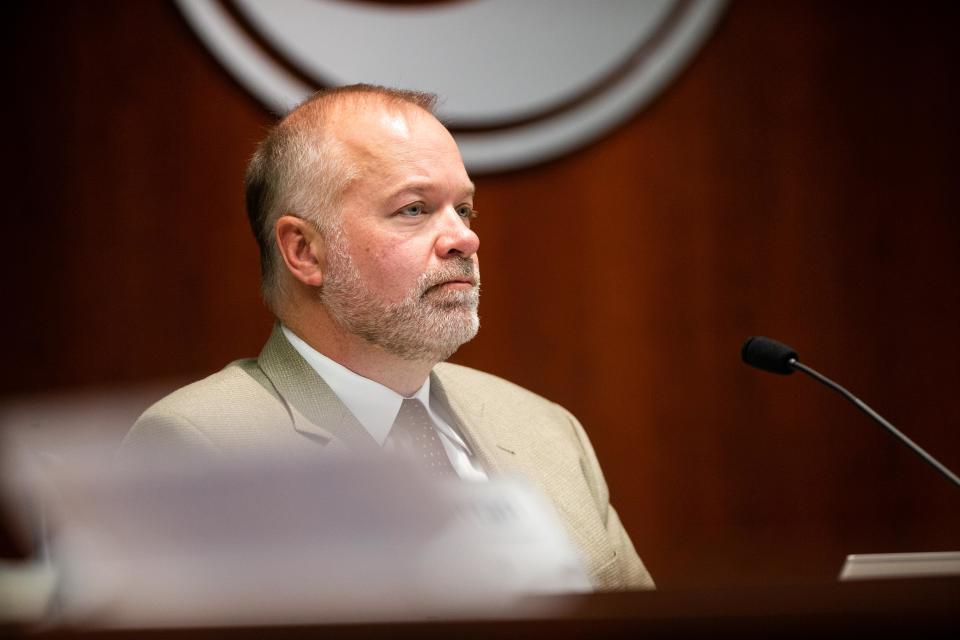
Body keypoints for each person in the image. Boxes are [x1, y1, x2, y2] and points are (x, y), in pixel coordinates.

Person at [122, 84, 653, 590]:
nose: (465, 238)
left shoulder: (545, 427)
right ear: (304, 251)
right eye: (414, 209)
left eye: (463, 208)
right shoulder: (199, 449)